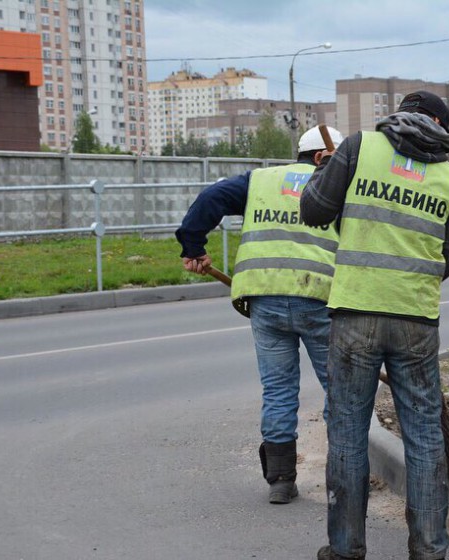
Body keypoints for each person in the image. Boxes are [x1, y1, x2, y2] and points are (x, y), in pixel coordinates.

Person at [300, 91, 449, 560]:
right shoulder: (448, 175)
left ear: (400, 114)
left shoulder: (357, 148)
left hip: (355, 314)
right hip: (416, 319)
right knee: (426, 436)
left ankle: (347, 548)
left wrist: (324, 171)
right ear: (437, 123)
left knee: (348, 433)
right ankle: (430, 550)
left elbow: (313, 211)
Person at [175, 125, 344, 505]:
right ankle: (344, 474)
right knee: (342, 389)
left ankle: (281, 480)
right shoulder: (336, 183)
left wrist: (193, 245)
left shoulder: (261, 181)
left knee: (278, 389)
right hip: (318, 297)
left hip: (264, 299)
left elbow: (211, 197)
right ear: (321, 158)